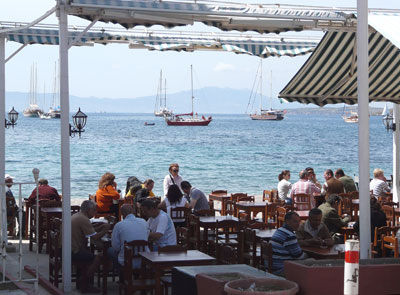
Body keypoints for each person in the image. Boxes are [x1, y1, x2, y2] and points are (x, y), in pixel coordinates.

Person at [71, 200, 110, 293]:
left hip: (68, 248)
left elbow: (88, 231)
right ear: (88, 210)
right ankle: (85, 283)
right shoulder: (84, 219)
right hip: (73, 250)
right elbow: (95, 237)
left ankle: (82, 281)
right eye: (94, 210)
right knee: (96, 258)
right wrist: (105, 230)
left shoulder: (78, 215)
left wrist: (99, 228)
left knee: (89, 252)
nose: (95, 212)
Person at [108, 204, 149, 269]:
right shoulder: (143, 222)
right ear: (133, 211)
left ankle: (121, 273)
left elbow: (116, 247)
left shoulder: (119, 225)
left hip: (126, 260)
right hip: (144, 259)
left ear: (122, 214)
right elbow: (147, 236)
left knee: (110, 250)